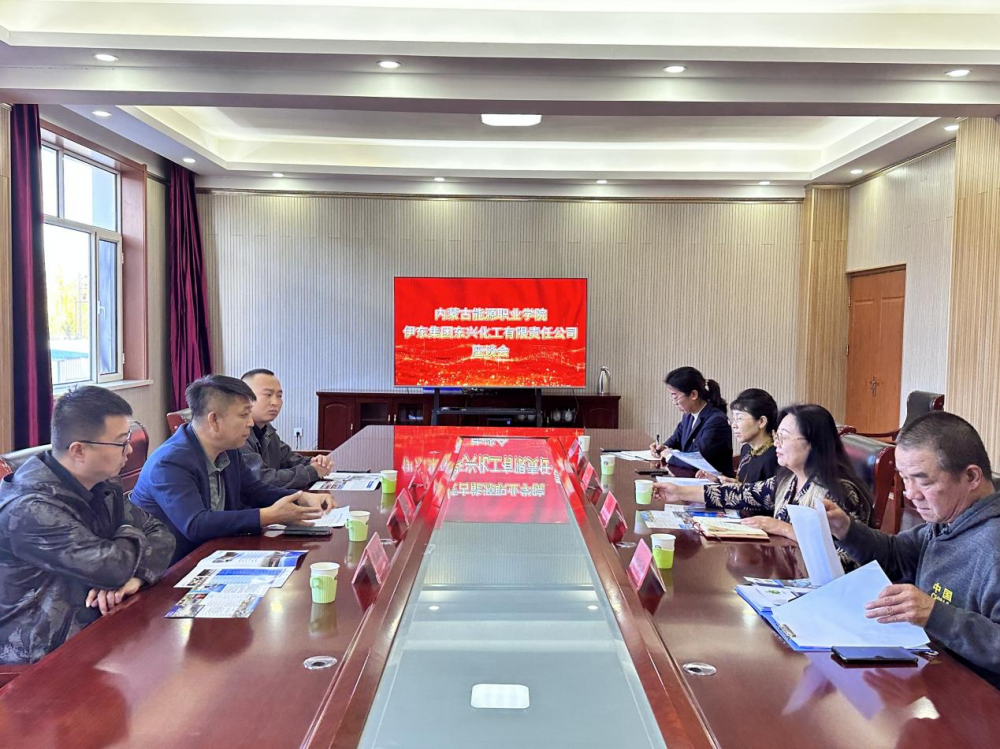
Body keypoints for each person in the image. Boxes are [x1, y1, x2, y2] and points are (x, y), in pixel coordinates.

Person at [823, 411, 1000, 689]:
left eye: (923, 481)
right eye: (905, 479)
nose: (910, 493)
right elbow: (896, 554)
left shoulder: (992, 547)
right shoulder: (947, 521)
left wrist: (935, 614)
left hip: (977, 698)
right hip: (932, 676)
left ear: (971, 476)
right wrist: (846, 530)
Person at [0, 387, 175, 664]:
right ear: (78, 450)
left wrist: (135, 578)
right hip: (39, 659)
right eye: (121, 443)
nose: (130, 450)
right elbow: (112, 567)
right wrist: (126, 536)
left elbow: (162, 535)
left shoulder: (102, 483)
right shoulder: (29, 509)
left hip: (99, 630)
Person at [131, 375, 333, 563]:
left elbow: (253, 490)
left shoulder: (228, 449)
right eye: (244, 415)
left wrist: (300, 498)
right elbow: (195, 524)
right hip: (171, 567)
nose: (250, 423)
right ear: (214, 420)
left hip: (214, 550)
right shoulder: (170, 462)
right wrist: (269, 516)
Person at [657, 404, 872, 564]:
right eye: (777, 436)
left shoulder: (839, 493)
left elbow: (847, 558)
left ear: (813, 443)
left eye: (784, 438)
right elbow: (741, 494)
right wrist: (679, 492)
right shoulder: (788, 479)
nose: (776, 443)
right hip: (790, 574)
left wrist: (784, 528)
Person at [240, 369, 333, 489]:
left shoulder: (267, 429)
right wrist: (312, 472)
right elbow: (263, 479)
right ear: (245, 398)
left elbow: (289, 459)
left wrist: (316, 462)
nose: (275, 402)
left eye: (279, 396)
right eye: (268, 395)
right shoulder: (239, 435)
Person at [650, 366, 734, 477]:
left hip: (714, 482)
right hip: (690, 477)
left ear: (693, 395)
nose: (674, 402)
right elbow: (675, 440)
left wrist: (669, 455)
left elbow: (697, 459)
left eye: (675, 397)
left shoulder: (716, 421)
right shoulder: (688, 416)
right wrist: (662, 447)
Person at [697, 388, 779, 485]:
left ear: (761, 421)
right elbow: (740, 485)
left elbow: (768, 493)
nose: (734, 425)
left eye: (739, 418)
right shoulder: (746, 449)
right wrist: (718, 479)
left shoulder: (775, 457)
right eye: (734, 419)